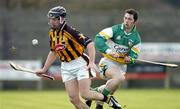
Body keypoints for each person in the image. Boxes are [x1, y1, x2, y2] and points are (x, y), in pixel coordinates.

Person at [35, 6, 121, 109]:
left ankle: (108, 99)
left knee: (85, 94)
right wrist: (44, 69)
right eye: (50, 19)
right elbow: (54, 51)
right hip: (66, 66)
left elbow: (90, 43)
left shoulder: (70, 31)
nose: (52, 21)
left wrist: (92, 62)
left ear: (61, 19)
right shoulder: (52, 33)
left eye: (54, 19)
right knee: (73, 99)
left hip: (80, 63)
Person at [87, 9, 141, 109]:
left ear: (134, 21)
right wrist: (109, 51)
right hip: (108, 62)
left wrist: (131, 58)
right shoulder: (115, 29)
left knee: (112, 87)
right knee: (119, 78)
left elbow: (134, 54)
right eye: (125, 18)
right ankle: (102, 103)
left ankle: (92, 95)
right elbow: (98, 38)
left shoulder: (136, 38)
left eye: (129, 19)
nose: (126, 21)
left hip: (121, 66)